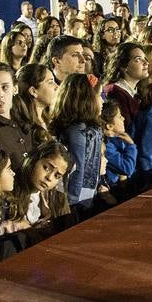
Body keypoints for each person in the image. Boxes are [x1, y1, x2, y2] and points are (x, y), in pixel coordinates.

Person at [50, 73, 106, 209]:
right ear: (87, 99)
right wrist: (73, 203)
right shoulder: (77, 131)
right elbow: (77, 168)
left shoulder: (92, 128)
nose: (103, 101)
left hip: (87, 192)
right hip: (75, 197)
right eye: (99, 96)